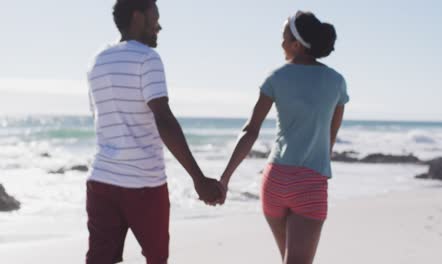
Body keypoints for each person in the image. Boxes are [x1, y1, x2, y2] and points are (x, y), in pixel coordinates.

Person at [86, 0, 223, 263]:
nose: (159, 26)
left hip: (101, 181)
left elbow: (101, 120)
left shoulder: (96, 61)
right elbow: (164, 119)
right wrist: (198, 178)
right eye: (155, 17)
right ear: (138, 17)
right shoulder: (147, 58)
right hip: (143, 184)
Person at [218, 11, 349, 264]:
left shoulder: (276, 77)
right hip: (310, 183)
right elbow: (330, 139)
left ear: (296, 44)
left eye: (283, 38)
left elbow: (250, 130)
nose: (280, 44)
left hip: (274, 181)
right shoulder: (336, 81)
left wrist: (225, 178)